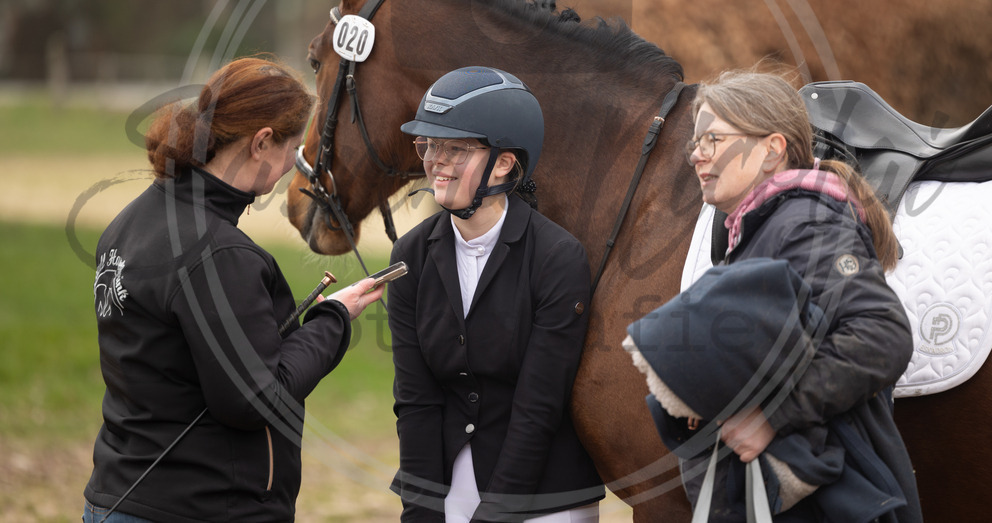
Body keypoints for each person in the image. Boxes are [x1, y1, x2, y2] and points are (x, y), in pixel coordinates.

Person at [83, 57, 382, 522]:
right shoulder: (221, 255)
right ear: (261, 142)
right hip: (198, 509)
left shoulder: (129, 222)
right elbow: (255, 400)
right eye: (291, 150)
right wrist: (333, 322)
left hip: (119, 500)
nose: (291, 168)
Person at [637, 69, 922, 521]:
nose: (696, 155)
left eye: (713, 139)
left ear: (772, 150)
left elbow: (882, 336)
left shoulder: (806, 223)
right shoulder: (764, 226)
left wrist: (770, 416)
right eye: (695, 142)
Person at [387, 66, 605, 522]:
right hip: (448, 481)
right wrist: (421, 512)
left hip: (543, 495)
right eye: (430, 145)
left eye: (455, 148)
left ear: (504, 163)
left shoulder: (557, 257)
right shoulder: (410, 255)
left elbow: (538, 407)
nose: (436, 161)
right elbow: (416, 401)